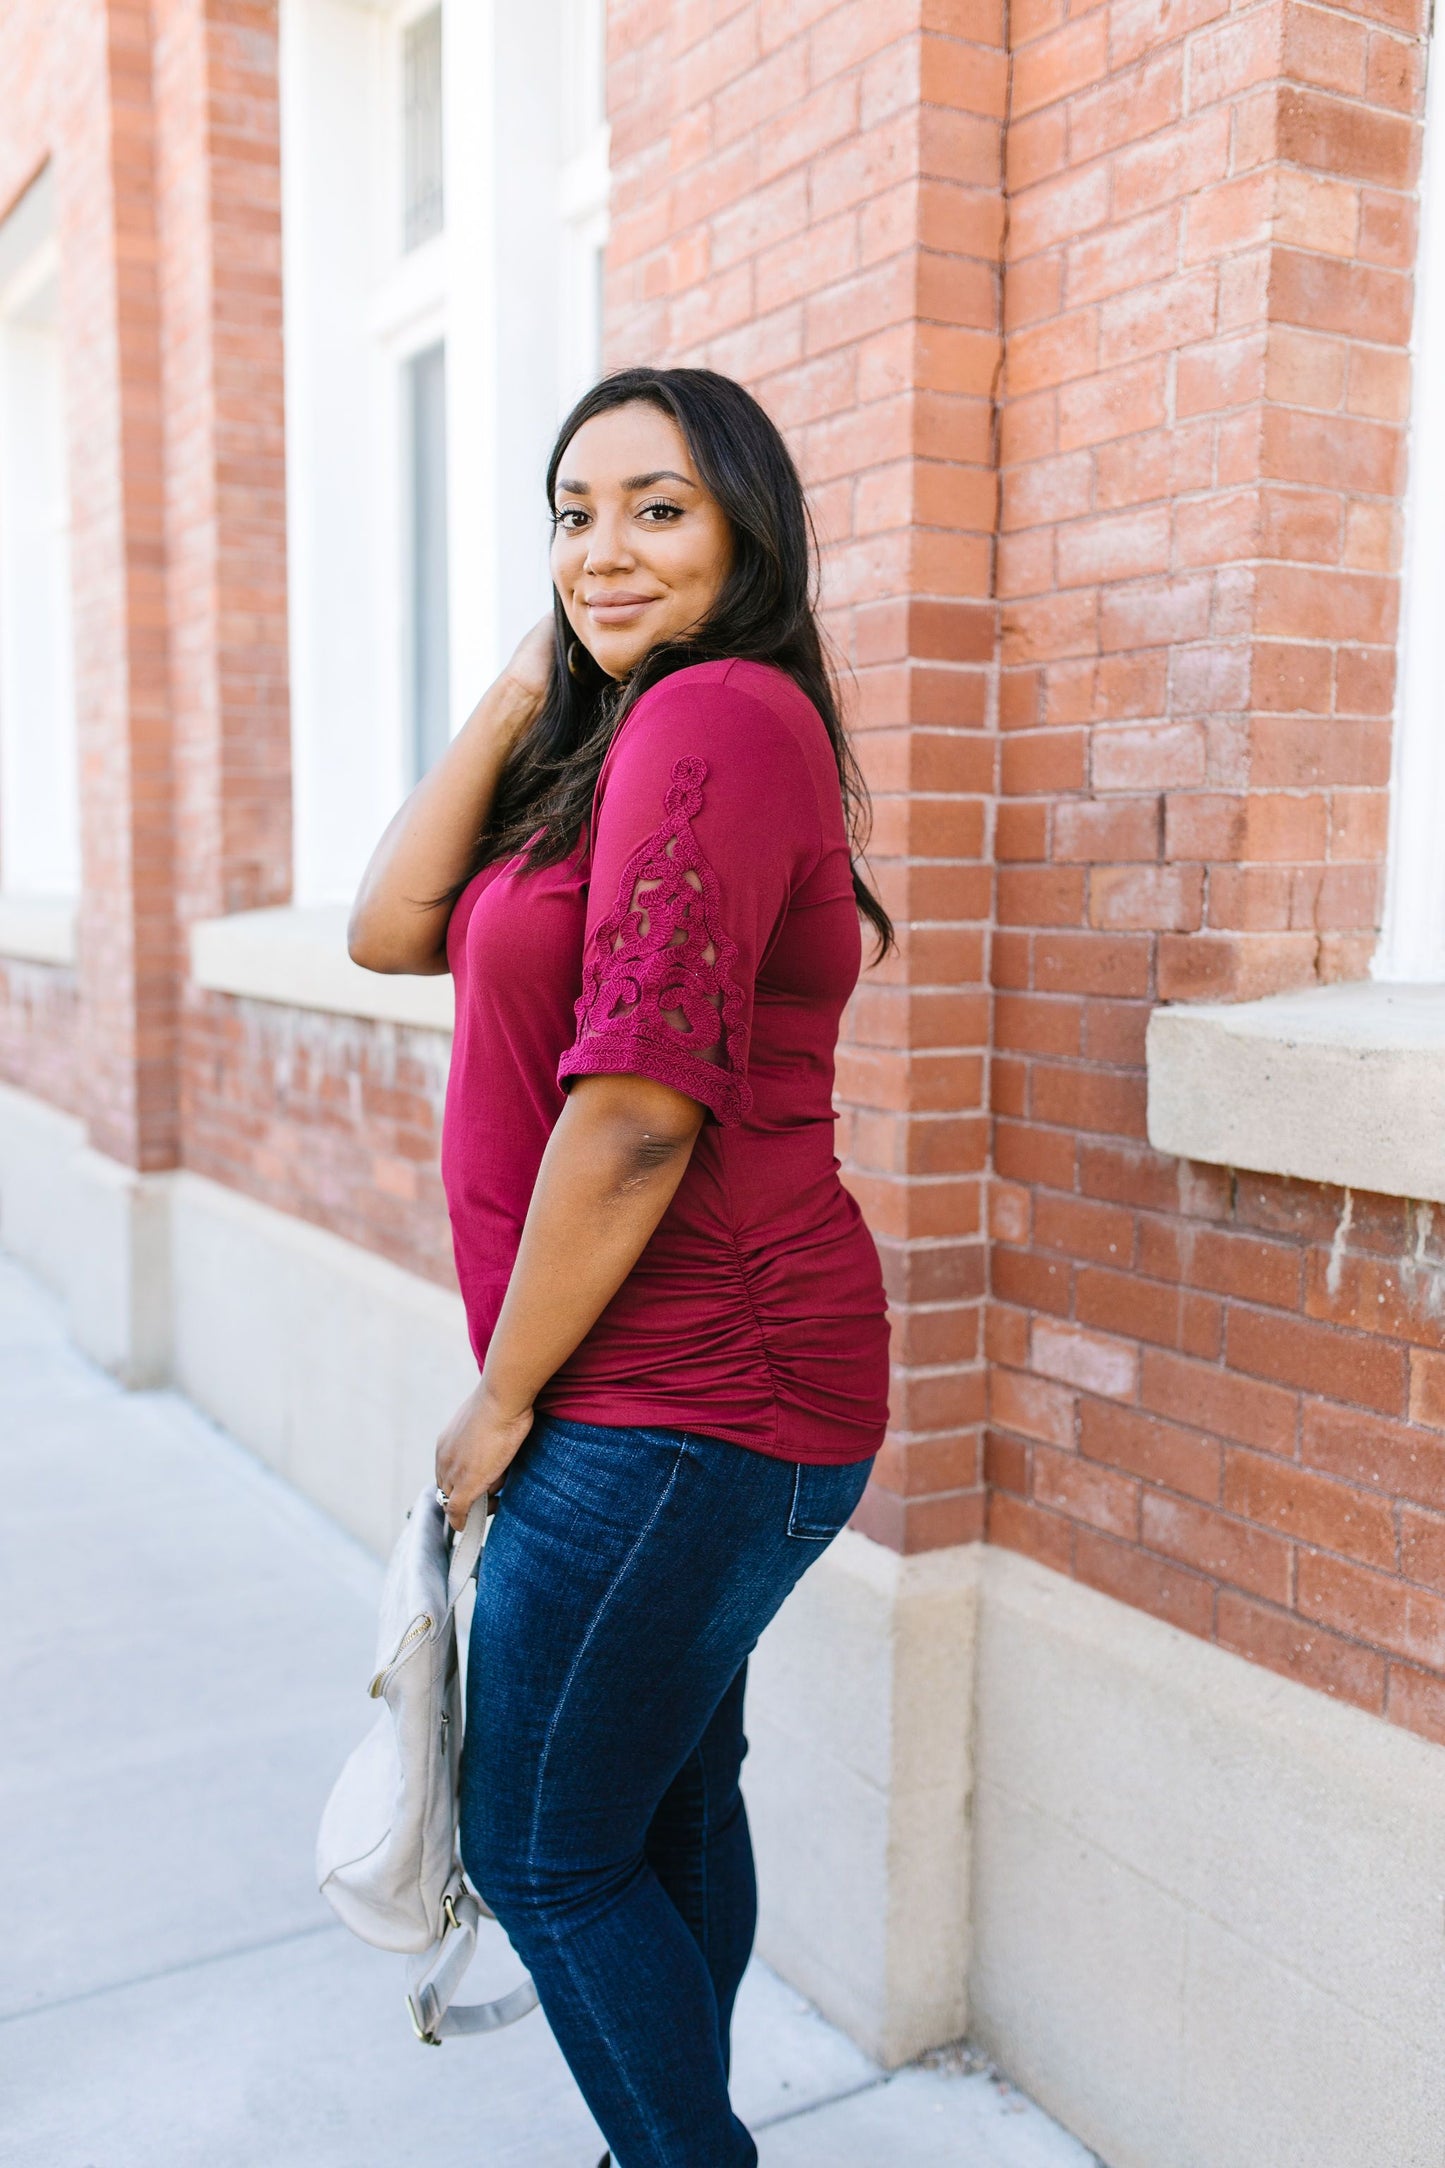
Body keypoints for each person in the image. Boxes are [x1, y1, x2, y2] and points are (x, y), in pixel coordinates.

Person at [348, 366, 892, 2167]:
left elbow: (642, 1112)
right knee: (662, 1808)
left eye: (657, 508)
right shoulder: (625, 736)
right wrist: (536, 671)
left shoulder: (719, 717)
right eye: (572, 513)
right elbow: (386, 925)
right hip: (679, 1391)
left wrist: (500, 1397)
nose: (604, 547)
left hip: (685, 1394)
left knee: (540, 1850)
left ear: (746, 528)